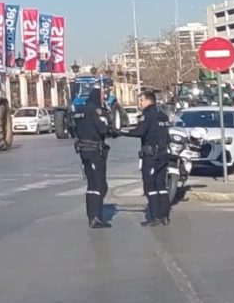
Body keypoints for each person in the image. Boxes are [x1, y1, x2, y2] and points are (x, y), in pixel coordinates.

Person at [123, 90, 172, 226]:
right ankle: (165, 216)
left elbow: (140, 132)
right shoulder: (163, 116)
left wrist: (122, 132)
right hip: (163, 154)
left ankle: (155, 216)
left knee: (150, 186)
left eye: (141, 101)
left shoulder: (147, 115)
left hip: (151, 156)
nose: (140, 104)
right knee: (161, 186)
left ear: (147, 101)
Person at [72, 88, 113, 228]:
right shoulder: (95, 110)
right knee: (99, 184)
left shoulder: (78, 110)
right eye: (102, 97)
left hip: (83, 151)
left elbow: (72, 128)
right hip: (96, 151)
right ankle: (95, 217)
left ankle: (91, 214)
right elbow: (103, 129)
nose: (103, 99)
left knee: (91, 184)